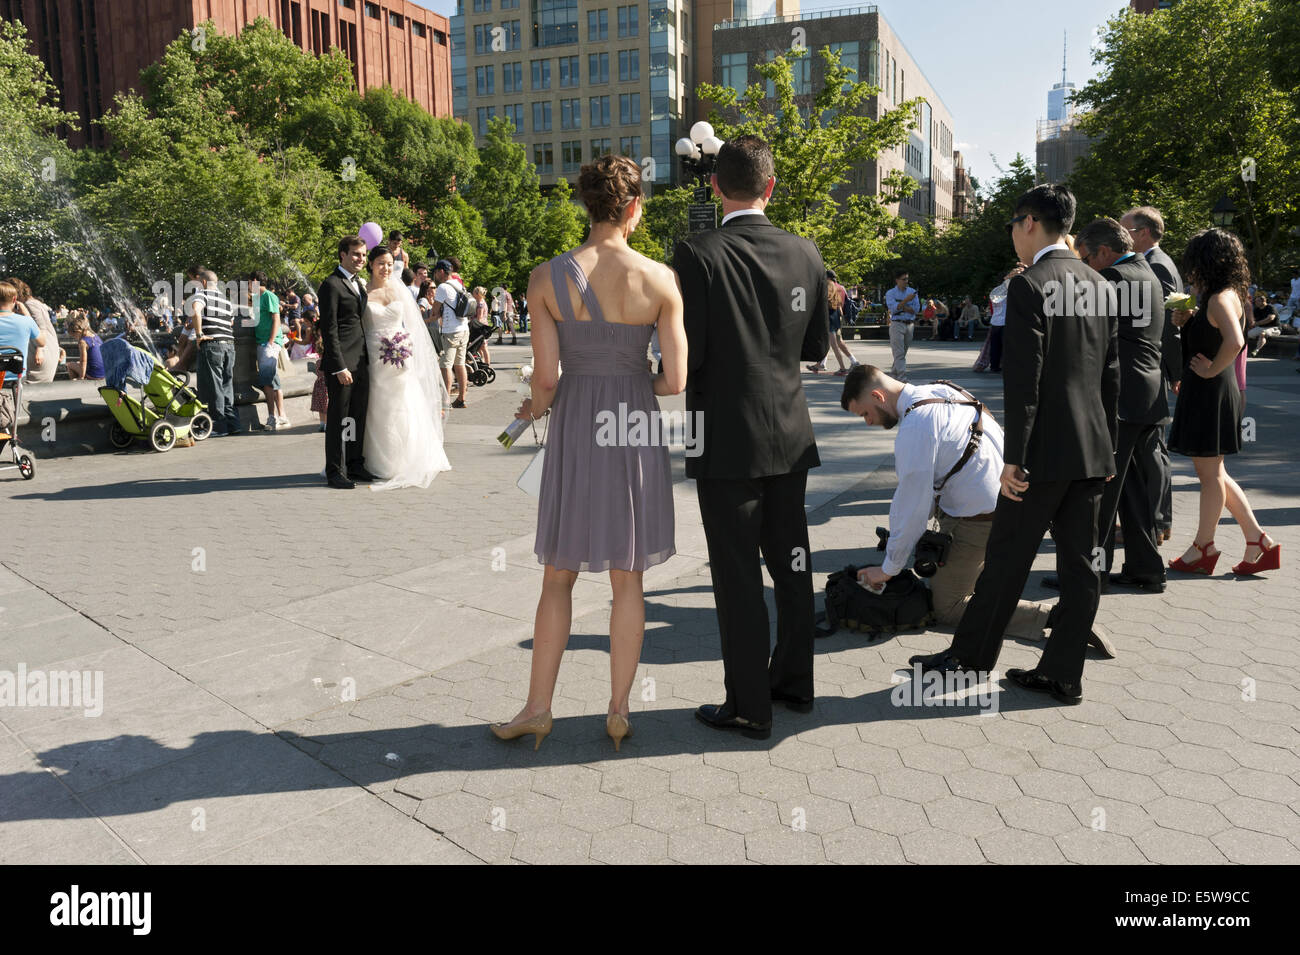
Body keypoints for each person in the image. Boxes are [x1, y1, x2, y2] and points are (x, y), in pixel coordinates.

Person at [490, 154, 685, 751]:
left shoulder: (547, 277)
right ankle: (620, 709)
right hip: (631, 428)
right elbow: (675, 380)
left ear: (587, 205)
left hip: (576, 424)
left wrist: (532, 410)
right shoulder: (660, 279)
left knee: (558, 577)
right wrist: (631, 383)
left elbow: (545, 380)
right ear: (631, 208)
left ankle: (537, 707)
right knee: (629, 580)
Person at [911, 183, 1119, 706]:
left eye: (1011, 225)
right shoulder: (1100, 284)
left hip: (1042, 454)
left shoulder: (1030, 286)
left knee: (1006, 560)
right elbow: (1109, 376)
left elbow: (1024, 382)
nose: (1012, 235)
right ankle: (1062, 673)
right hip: (1092, 449)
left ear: (1029, 222)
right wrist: (1109, 449)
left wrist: (1015, 459)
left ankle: (967, 661)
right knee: (1080, 565)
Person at [676, 135, 829, 740]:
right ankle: (793, 684)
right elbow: (815, 347)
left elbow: (691, 350)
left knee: (736, 573)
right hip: (790, 432)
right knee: (792, 563)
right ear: (771, 187)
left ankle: (747, 705)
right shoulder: (806, 252)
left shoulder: (697, 252)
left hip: (724, 436)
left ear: (716, 186)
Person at [840, 365, 1115, 656]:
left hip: (977, 522)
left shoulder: (916, 427)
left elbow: (912, 507)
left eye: (865, 414)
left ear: (877, 396)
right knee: (951, 580)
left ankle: (1058, 618)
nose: (868, 422)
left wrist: (888, 569)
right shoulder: (945, 389)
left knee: (947, 606)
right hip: (1012, 507)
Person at [1044, 218, 1167, 594]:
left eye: (1085, 258)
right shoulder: (1148, 273)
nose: (1084, 266)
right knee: (1134, 491)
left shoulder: (1113, 279)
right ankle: (1146, 568)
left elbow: (1083, 337)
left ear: (1104, 252)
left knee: (1098, 491)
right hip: (1149, 394)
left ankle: (1090, 574)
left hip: (1120, 398)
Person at [1167, 228, 1279, 577]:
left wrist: (1209, 369)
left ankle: (1205, 546)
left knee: (1210, 474)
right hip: (1213, 389)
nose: (1190, 270)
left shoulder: (1219, 298)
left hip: (1211, 390)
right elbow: (1222, 337)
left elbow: (1235, 341)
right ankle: (1256, 540)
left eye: (1194, 262)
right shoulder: (1226, 294)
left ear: (1207, 261)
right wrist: (1187, 322)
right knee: (1214, 472)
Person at [358, 245, 452, 491]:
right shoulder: (362, 291)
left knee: (404, 405)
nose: (386, 268)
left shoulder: (399, 290)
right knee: (379, 408)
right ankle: (378, 460)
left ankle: (408, 457)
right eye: (380, 263)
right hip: (374, 356)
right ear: (370, 264)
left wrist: (406, 347)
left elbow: (413, 326)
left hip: (401, 355)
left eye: (389, 263)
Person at [1122, 206, 1179, 543]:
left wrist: (1172, 370)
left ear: (1142, 233)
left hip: (1150, 368)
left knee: (1151, 452)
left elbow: (1169, 323)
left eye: (1125, 229)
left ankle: (1155, 522)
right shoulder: (1158, 262)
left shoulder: (1155, 266)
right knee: (1152, 449)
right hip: (1153, 367)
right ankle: (1157, 521)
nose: (1120, 234)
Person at [318, 236, 377, 489]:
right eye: (355, 254)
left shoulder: (358, 284)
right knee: (339, 419)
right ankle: (335, 471)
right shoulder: (331, 284)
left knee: (356, 416)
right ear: (342, 254)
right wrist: (339, 365)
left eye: (363, 255)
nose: (360, 259)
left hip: (361, 360)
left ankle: (354, 464)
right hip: (342, 363)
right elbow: (328, 329)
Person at [192, 270, 242, 437]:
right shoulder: (225, 301)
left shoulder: (202, 295)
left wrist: (199, 335)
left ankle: (219, 426)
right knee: (227, 385)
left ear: (204, 283)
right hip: (229, 345)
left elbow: (195, 311)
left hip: (212, 344)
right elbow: (231, 321)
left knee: (215, 386)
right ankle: (233, 423)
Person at [0, 283, 44, 429]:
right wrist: (27, 314)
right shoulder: (26, 322)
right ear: (14, 300)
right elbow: (42, 342)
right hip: (15, 380)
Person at [250, 271, 289, 431]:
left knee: (266, 381)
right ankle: (282, 416)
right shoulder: (257, 299)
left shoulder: (269, 296)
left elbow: (276, 319)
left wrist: (271, 342)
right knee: (273, 380)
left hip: (269, 343)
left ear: (254, 281)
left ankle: (272, 417)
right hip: (263, 342)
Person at [433, 260, 470, 408]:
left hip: (451, 331)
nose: (435, 275)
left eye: (436, 272)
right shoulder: (458, 284)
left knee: (445, 365)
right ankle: (462, 398)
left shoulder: (442, 287)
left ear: (442, 271)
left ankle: (445, 401)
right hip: (464, 328)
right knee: (460, 364)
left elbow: (435, 310)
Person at [7, 278, 60, 384]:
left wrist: (39, 350)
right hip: (45, 348)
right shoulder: (32, 303)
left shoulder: (30, 304)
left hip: (42, 351)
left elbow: (42, 328)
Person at [884, 269, 919, 379]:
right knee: (899, 352)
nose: (906, 281)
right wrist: (906, 301)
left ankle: (893, 376)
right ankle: (902, 378)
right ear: (897, 280)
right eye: (904, 279)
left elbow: (916, 309)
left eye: (907, 279)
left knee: (902, 353)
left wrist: (901, 306)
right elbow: (893, 309)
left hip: (909, 325)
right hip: (897, 324)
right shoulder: (890, 293)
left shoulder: (913, 292)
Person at [65, 315, 105, 380]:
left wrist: (81, 377)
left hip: (93, 375)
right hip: (103, 373)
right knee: (78, 363)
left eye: (74, 336)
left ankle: (77, 386)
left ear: (78, 332)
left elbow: (83, 361)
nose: (74, 338)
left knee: (69, 365)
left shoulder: (83, 342)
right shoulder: (96, 336)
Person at [1247, 291, 1280, 356]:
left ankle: (1256, 351)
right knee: (1246, 334)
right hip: (1261, 327)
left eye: (1257, 301)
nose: (1255, 303)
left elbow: (1270, 318)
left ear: (1263, 301)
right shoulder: (1257, 309)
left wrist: (1256, 323)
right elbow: (1253, 320)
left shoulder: (1271, 307)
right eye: (1255, 301)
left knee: (1263, 333)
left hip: (1274, 328)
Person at [470, 286, 493, 366]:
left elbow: (479, 318)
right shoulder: (482, 302)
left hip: (480, 327)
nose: (472, 294)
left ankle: (487, 364)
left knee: (483, 347)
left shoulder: (480, 304)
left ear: (477, 294)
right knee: (481, 347)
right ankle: (483, 362)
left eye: (473, 292)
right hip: (483, 326)